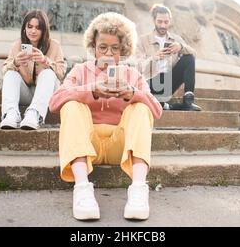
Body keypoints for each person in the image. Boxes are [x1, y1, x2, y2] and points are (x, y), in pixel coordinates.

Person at [49, 12, 162, 221]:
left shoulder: (133, 75)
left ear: (124, 49)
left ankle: (138, 189)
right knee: (71, 104)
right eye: (103, 47)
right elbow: (55, 102)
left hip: (119, 146)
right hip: (87, 143)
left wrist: (133, 94)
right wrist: (91, 90)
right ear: (94, 47)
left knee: (141, 106)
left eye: (115, 48)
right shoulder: (80, 70)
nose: (108, 53)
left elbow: (156, 110)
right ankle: (82, 188)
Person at [0, 10, 66, 130]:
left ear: (44, 30)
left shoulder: (54, 45)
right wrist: (15, 63)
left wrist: (45, 60)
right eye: (29, 27)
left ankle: (34, 114)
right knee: (10, 74)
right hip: (26, 92)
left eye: (38, 28)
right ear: (24, 28)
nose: (33, 31)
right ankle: (11, 114)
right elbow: (4, 70)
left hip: (48, 92)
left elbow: (61, 74)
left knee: (48, 73)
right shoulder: (17, 45)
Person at [136, 4, 202, 111]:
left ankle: (188, 100)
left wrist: (181, 47)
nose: (163, 25)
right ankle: (167, 106)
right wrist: (154, 58)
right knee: (158, 80)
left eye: (166, 22)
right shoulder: (143, 40)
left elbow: (193, 54)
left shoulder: (176, 39)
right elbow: (137, 66)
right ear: (154, 20)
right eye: (160, 21)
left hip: (169, 82)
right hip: (150, 83)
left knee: (189, 58)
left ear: (170, 21)